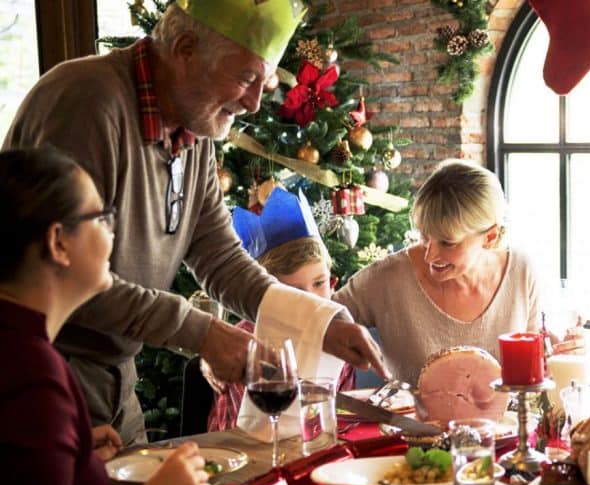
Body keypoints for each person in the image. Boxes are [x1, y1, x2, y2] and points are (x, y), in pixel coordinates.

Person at [3, 0, 385, 445]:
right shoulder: (87, 101)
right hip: (42, 374)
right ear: (185, 49)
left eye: (263, 84)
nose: (254, 103)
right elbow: (64, 272)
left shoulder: (194, 125)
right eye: (246, 78)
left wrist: (320, 323)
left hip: (116, 387)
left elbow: (218, 254)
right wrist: (202, 333)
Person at [0, 147, 211, 485]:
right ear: (59, 243)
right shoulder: (33, 375)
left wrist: (70, 457)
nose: (113, 231)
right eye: (100, 217)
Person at [334, 159, 583, 386]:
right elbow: (315, 322)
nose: (430, 255)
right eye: (424, 236)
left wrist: (565, 355)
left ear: (490, 236)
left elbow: (533, 373)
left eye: (447, 243)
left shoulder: (521, 270)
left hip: (504, 432)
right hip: (412, 435)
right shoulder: (387, 277)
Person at [207, 187, 355, 431]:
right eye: (293, 293)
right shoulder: (246, 345)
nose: (311, 301)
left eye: (319, 283)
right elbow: (236, 433)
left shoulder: (337, 339)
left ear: (332, 281)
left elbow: (343, 424)